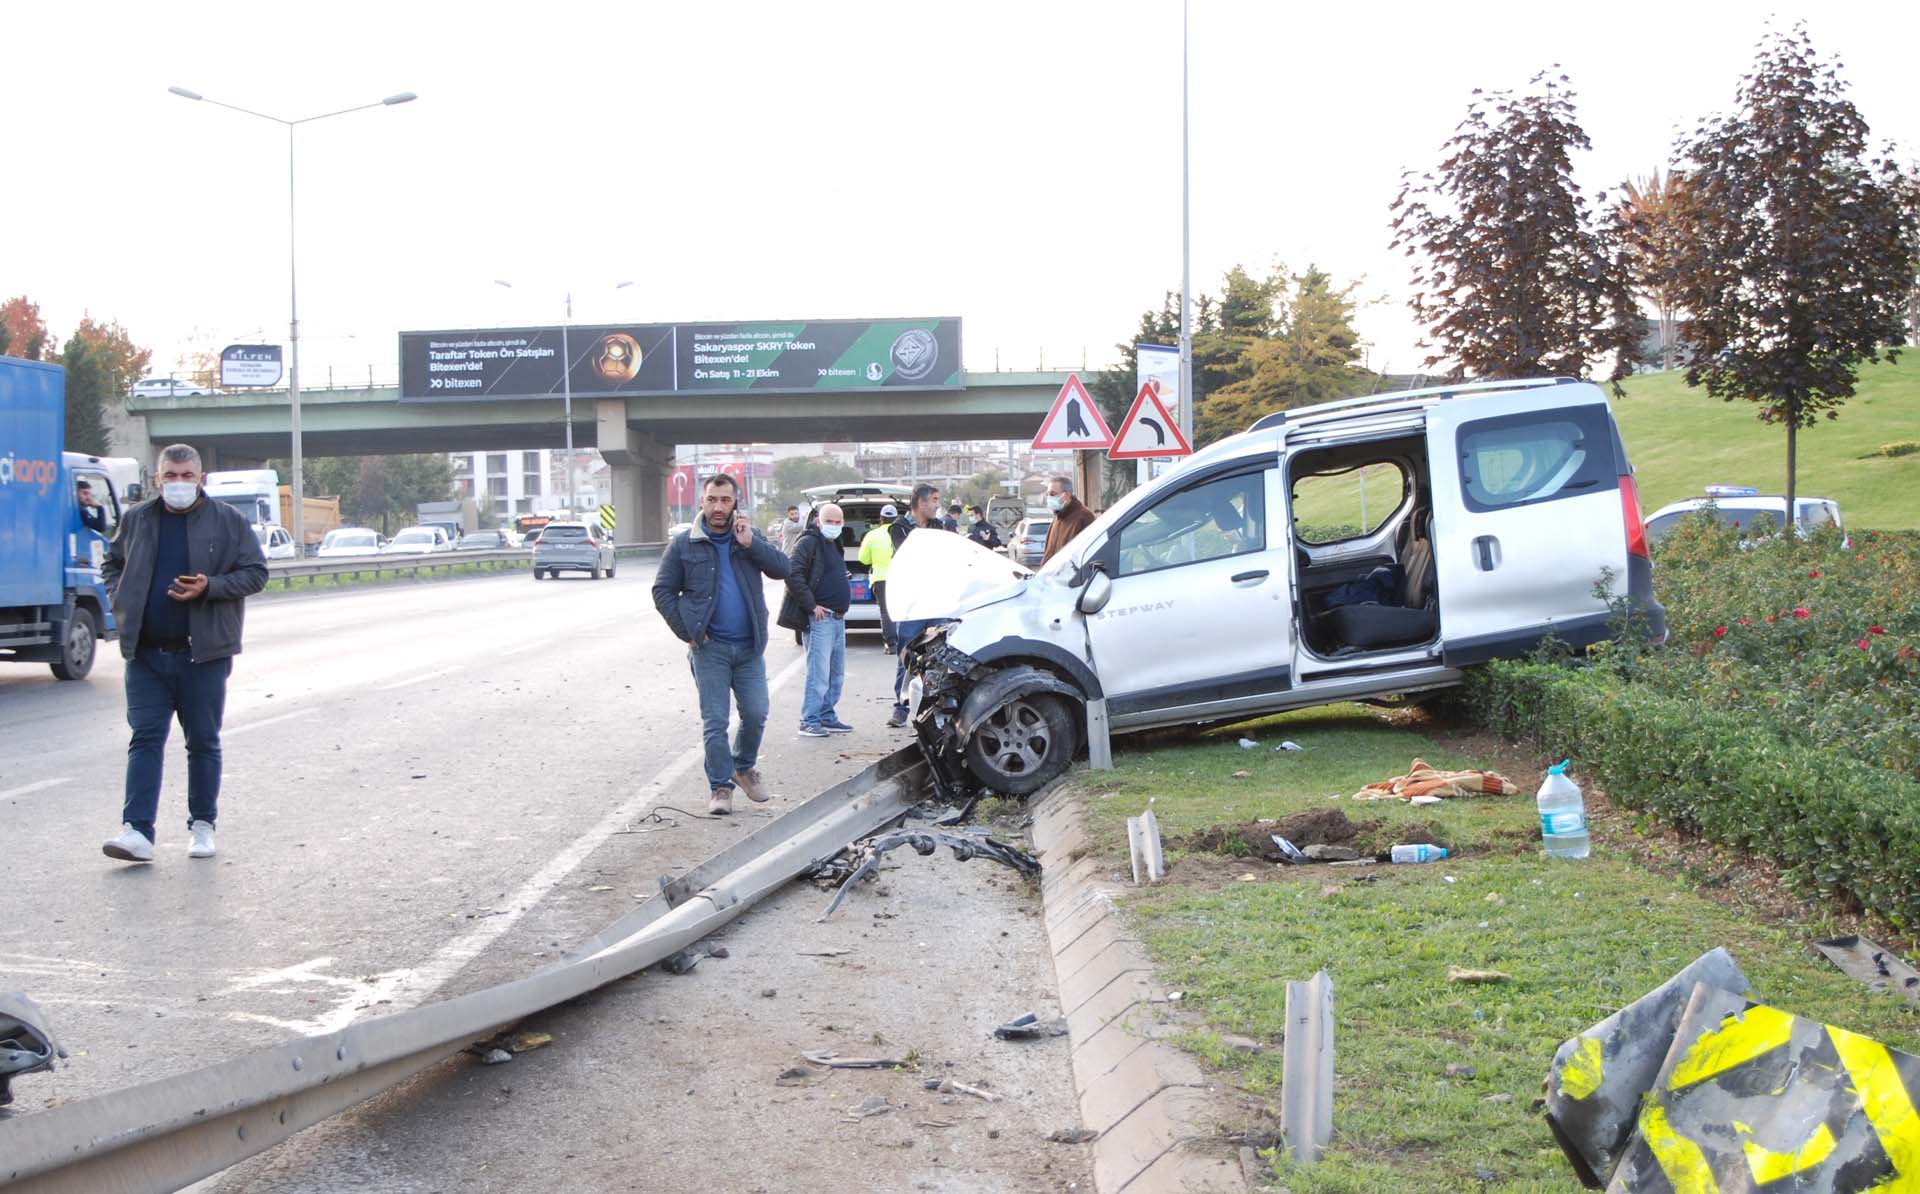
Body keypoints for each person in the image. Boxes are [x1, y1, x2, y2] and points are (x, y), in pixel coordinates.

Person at [99, 444, 269, 863]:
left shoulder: (227, 521)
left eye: (186, 476)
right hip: (146, 654)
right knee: (145, 739)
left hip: (203, 654)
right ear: (158, 479)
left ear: (200, 478)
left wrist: (210, 586)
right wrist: (119, 596)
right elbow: (112, 561)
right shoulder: (138, 519)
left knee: (203, 742)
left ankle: (202, 825)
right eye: (170, 477)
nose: (178, 484)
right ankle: (136, 831)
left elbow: (256, 573)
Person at [651, 473, 792, 815]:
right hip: (709, 649)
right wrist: (688, 631)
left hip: (749, 648)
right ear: (702, 502)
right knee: (715, 722)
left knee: (757, 713)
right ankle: (720, 787)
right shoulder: (684, 544)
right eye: (712, 499)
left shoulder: (748, 537)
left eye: (725, 500)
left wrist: (751, 544)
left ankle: (742, 767)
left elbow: (782, 568)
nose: (718, 507)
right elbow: (662, 590)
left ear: (735, 504)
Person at [780, 502, 853, 737]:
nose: (833, 526)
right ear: (818, 521)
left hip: (837, 618)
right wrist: (811, 605)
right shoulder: (809, 542)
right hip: (821, 619)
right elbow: (792, 574)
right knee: (818, 674)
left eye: (837, 522)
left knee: (835, 674)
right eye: (829, 521)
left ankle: (826, 716)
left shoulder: (833, 543)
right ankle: (809, 720)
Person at [886, 483, 949, 728]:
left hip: (937, 602)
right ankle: (901, 707)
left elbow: (944, 557)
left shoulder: (938, 527)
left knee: (938, 655)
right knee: (908, 655)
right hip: (912, 605)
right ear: (921, 503)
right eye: (934, 499)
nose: (936, 504)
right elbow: (910, 557)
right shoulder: (899, 528)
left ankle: (935, 707)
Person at [859, 503, 899, 653]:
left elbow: (863, 559)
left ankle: (891, 644)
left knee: (886, 612)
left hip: (881, 579)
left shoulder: (872, 535)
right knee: (901, 610)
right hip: (900, 578)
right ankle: (905, 641)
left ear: (881, 518)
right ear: (896, 518)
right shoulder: (902, 532)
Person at [1041, 475, 1097, 565]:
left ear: (1067, 495)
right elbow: (1048, 554)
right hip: (1053, 577)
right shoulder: (1057, 519)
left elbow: (1089, 554)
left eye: (1052, 494)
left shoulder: (1085, 517)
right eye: (1047, 494)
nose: (1049, 498)